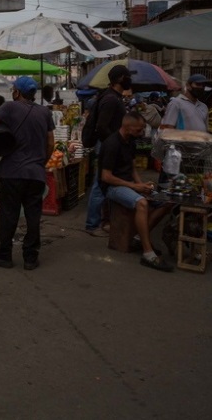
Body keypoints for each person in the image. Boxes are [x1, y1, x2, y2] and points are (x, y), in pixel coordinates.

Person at [0, 77, 55, 270]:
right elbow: (50, 142)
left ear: (17, 92)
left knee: (9, 214)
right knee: (33, 215)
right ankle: (31, 258)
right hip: (35, 174)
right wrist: (41, 162)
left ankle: (4, 255)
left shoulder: (10, 107)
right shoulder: (44, 112)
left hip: (12, 172)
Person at [101, 112, 174, 272]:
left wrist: (143, 186)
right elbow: (106, 176)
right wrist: (135, 187)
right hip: (113, 188)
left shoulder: (131, 141)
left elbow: (132, 168)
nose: (141, 133)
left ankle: (138, 238)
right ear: (128, 127)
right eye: (139, 129)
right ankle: (148, 254)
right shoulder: (112, 144)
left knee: (166, 201)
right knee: (141, 203)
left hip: (128, 184)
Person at [83, 65, 132, 236]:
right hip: (106, 146)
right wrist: (115, 143)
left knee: (105, 185)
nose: (129, 80)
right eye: (127, 77)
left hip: (108, 145)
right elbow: (102, 127)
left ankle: (105, 221)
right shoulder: (111, 99)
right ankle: (92, 224)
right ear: (120, 79)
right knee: (99, 185)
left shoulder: (114, 97)